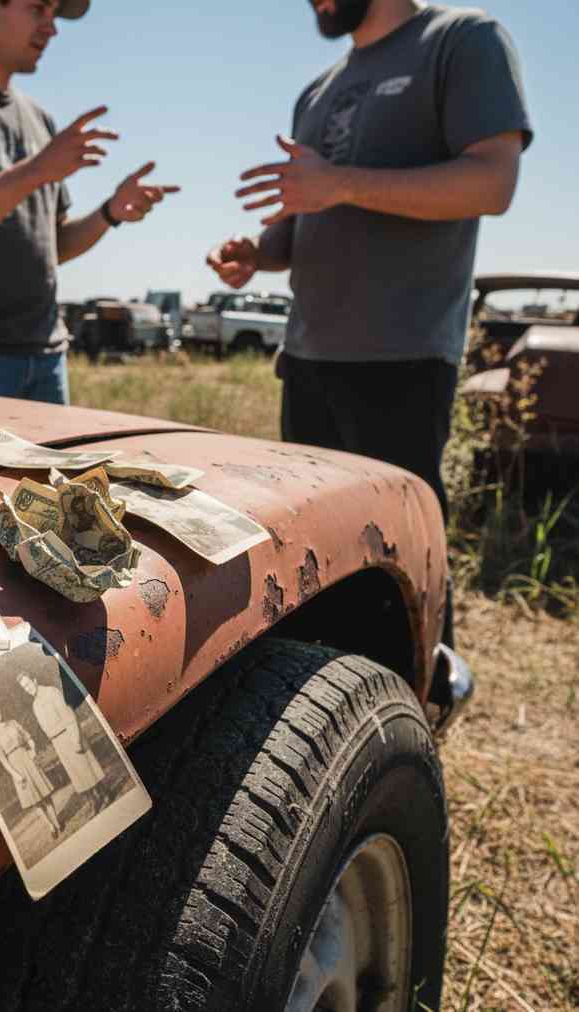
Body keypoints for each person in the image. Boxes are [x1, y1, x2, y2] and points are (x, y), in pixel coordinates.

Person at [206, 0, 532, 644]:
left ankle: (418, 707)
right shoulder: (317, 90)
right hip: (307, 360)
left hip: (402, 361)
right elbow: (302, 217)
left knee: (398, 568)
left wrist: (342, 185)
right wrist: (258, 254)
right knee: (317, 560)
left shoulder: (462, 40)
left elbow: (493, 182)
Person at [0, 0, 180, 405]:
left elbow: (52, 247)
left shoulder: (40, 120)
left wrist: (110, 213)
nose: (51, 28)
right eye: (39, 9)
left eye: (55, 15)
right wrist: (37, 169)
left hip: (48, 360)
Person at [18, 672, 109, 814]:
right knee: (77, 774)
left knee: (86, 767)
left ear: (34, 680)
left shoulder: (51, 692)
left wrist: (76, 740)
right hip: (58, 743)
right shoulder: (35, 705)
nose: (28, 688)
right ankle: (94, 800)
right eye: (24, 687)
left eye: (28, 683)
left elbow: (69, 715)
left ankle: (106, 794)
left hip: (69, 734)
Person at [0, 700, 62, 837]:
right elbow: (2, 759)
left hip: (28, 760)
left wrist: (33, 750)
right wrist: (15, 775)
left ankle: (57, 823)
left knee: (45, 794)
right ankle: (51, 827)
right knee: (34, 801)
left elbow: (29, 738)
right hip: (15, 766)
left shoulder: (13, 723)